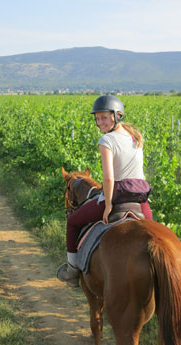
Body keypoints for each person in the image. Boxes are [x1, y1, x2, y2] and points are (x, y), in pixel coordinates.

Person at [57, 95, 152, 287]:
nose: (100, 122)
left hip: (117, 196)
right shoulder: (134, 136)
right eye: (97, 118)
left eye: (104, 118)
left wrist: (108, 204)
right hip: (140, 198)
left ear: (117, 116)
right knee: (153, 235)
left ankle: (72, 270)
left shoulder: (107, 139)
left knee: (73, 221)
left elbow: (108, 178)